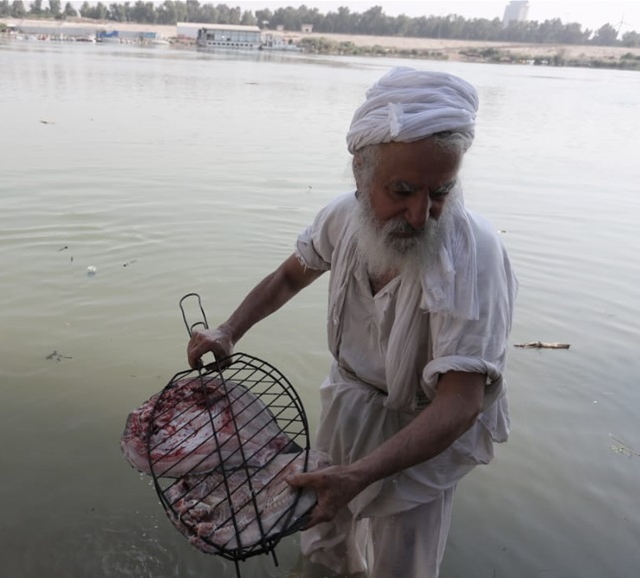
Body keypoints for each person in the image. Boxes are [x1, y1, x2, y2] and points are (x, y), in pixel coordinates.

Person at [185, 67, 517, 578]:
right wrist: (229, 329)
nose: (419, 214)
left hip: (424, 430)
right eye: (401, 190)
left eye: (440, 192)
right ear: (361, 176)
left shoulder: (475, 256)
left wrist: (360, 475)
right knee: (322, 544)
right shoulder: (342, 218)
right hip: (349, 401)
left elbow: (461, 401)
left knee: (400, 563)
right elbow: (289, 278)